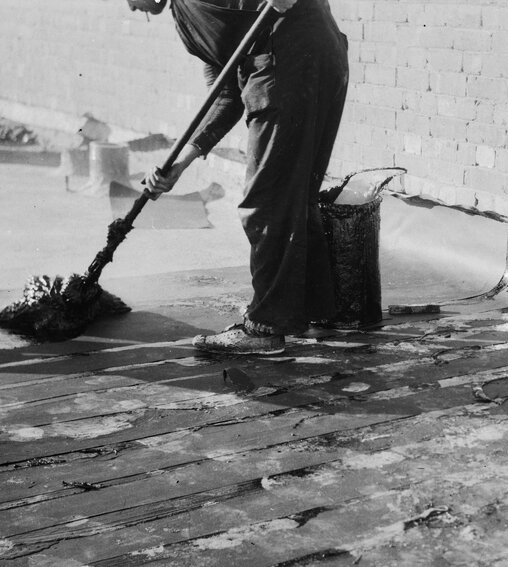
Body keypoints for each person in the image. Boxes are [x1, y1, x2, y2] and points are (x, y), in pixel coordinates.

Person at [128, 0, 350, 355]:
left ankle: (264, 328)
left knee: (265, 202)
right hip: (316, 59)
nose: (129, 7)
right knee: (295, 196)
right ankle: (312, 314)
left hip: (294, 61)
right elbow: (227, 94)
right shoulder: (188, 23)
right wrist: (181, 162)